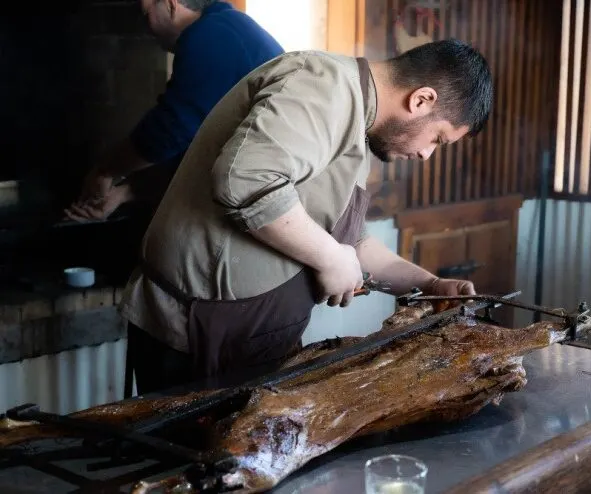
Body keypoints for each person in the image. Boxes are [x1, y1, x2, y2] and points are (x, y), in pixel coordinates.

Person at [117, 39, 494, 394]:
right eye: (438, 139)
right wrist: (329, 258)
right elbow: (245, 181)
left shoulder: (360, 126)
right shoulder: (322, 85)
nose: (428, 155)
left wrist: (429, 284)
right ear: (422, 100)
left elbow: (350, 244)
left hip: (254, 342)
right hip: (192, 337)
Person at [64, 0, 284, 224]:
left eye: (145, 14)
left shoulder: (211, 34)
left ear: (170, 5)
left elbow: (170, 130)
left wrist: (106, 170)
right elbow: (190, 146)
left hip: (267, 198)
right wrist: (124, 194)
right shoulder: (224, 26)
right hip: (257, 183)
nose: (145, 27)